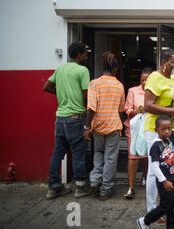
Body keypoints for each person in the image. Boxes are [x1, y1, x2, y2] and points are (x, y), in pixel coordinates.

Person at [43, 42, 97, 200]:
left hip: (60, 117)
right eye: (85, 54)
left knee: (57, 153)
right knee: (78, 153)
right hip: (76, 117)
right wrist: (88, 123)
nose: (87, 56)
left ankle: (53, 187)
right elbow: (87, 96)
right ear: (79, 55)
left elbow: (46, 87)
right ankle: (80, 186)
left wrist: (61, 95)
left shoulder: (60, 69)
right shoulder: (82, 70)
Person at [144, 49, 174, 224]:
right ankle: (152, 211)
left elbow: (170, 97)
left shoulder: (171, 78)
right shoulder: (154, 77)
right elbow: (148, 105)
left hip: (170, 130)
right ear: (164, 62)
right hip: (154, 130)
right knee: (153, 171)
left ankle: (170, 203)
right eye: (173, 62)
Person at [84, 51, 125, 201]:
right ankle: (105, 189)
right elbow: (121, 109)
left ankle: (95, 181)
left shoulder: (94, 84)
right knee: (110, 158)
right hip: (113, 126)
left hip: (98, 127)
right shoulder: (119, 86)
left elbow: (91, 108)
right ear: (115, 70)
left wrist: (87, 128)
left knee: (98, 154)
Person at [137, 115, 174, 229]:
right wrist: (164, 180)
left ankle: (170, 228)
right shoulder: (155, 145)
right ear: (156, 130)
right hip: (164, 179)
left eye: (169, 128)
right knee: (165, 205)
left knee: (173, 204)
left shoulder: (170, 138)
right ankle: (144, 221)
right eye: (163, 129)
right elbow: (154, 166)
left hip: (172, 177)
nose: (167, 131)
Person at [123, 68, 152, 199]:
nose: (145, 82)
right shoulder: (133, 91)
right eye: (142, 80)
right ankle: (131, 187)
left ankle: (145, 179)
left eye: (147, 79)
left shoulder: (155, 92)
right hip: (134, 128)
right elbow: (127, 109)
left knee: (146, 155)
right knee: (133, 156)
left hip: (149, 127)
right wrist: (135, 112)